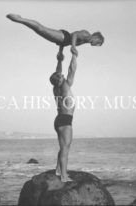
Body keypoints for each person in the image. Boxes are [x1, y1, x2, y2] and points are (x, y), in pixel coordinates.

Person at [6, 14, 104, 54]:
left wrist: (60, 51)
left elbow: (69, 42)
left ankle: (22, 20)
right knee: (41, 29)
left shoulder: (86, 41)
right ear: (96, 37)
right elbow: (74, 35)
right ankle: (20, 19)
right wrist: (73, 46)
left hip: (63, 40)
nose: (96, 45)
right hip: (63, 36)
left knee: (40, 31)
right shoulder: (87, 34)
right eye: (98, 43)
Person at [50, 46, 77, 182]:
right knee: (65, 149)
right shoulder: (66, 85)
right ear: (60, 80)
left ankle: (58, 170)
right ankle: (64, 177)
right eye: (61, 77)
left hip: (58, 120)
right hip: (66, 120)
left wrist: (60, 58)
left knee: (63, 147)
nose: (63, 75)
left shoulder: (55, 88)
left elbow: (58, 72)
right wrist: (74, 56)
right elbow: (71, 70)